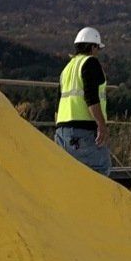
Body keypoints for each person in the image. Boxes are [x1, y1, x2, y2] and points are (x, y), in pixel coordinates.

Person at [55, 26, 111, 175]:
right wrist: (101, 125)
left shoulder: (67, 69)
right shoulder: (90, 63)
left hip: (62, 132)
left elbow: (58, 103)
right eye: (97, 48)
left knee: (69, 174)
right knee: (100, 168)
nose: (98, 52)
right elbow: (91, 97)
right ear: (93, 47)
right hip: (83, 131)